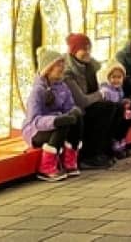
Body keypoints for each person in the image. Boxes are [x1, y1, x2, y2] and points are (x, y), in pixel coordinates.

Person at [21, 47, 84, 182]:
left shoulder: (62, 87)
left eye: (63, 65)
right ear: (48, 68)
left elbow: (69, 107)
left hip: (57, 123)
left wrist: (72, 113)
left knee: (76, 116)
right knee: (62, 123)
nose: (62, 68)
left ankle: (69, 160)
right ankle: (46, 167)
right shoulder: (38, 91)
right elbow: (34, 120)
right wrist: (55, 120)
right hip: (35, 131)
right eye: (58, 65)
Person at [61, 32, 116, 169]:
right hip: (75, 110)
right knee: (104, 108)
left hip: (88, 107)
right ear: (74, 50)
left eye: (89, 48)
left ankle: (105, 151)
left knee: (115, 107)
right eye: (83, 49)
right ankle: (87, 156)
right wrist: (101, 94)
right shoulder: (67, 72)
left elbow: (93, 93)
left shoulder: (90, 67)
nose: (87, 52)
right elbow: (81, 101)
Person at [98, 60, 131, 159]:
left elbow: (120, 101)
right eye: (113, 77)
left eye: (119, 77)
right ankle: (115, 146)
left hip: (119, 114)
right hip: (111, 117)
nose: (116, 80)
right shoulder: (106, 91)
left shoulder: (119, 90)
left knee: (128, 119)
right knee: (119, 125)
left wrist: (124, 102)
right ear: (108, 78)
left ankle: (121, 143)